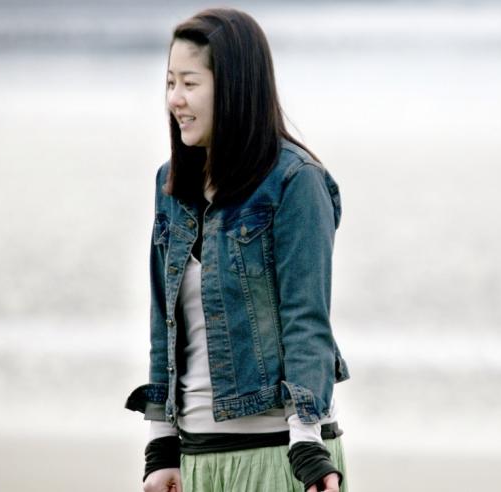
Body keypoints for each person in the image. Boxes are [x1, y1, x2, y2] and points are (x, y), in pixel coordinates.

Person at [123, 7, 350, 492]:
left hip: (280, 455)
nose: (175, 99)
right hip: (197, 459)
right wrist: (160, 444)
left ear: (233, 87)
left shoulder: (295, 182)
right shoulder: (171, 185)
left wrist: (307, 443)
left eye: (190, 83)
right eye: (170, 83)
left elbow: (306, 318)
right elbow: (163, 321)